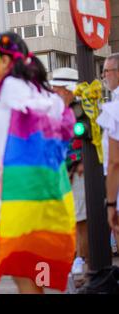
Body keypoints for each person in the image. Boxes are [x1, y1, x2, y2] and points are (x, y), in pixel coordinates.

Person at [0, 32, 76, 293]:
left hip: (14, 186)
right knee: (25, 263)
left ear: (7, 60)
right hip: (31, 186)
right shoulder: (39, 90)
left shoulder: (11, 89)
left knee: (21, 266)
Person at [50, 67, 88, 276]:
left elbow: (90, 139)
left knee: (81, 218)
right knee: (70, 219)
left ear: (66, 89)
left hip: (78, 172)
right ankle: (74, 258)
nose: (53, 93)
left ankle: (82, 261)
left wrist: (83, 162)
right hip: (63, 173)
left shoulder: (81, 109)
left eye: (55, 89)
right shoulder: (58, 112)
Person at [98, 53, 119, 236]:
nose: (103, 76)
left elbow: (114, 161)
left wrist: (111, 203)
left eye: (106, 71)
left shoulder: (115, 108)